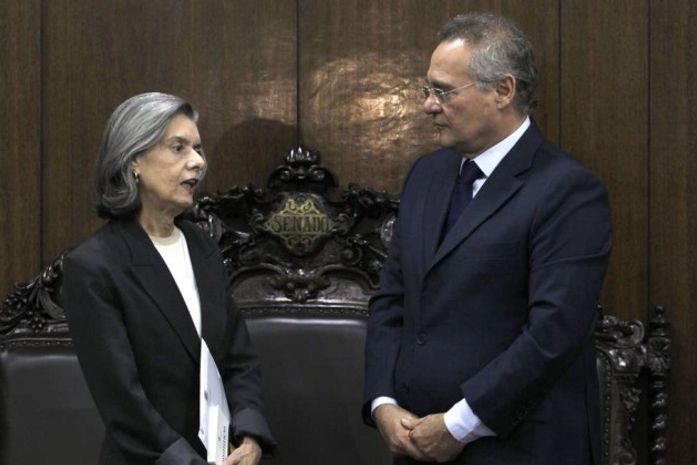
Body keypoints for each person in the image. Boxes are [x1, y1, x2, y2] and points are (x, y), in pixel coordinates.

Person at [363, 12, 611, 465]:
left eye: (443, 92)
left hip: (519, 448)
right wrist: (383, 402)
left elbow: (553, 334)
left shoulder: (568, 190)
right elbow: (392, 300)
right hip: (416, 443)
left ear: (503, 90)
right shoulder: (426, 175)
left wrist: (458, 425)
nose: (428, 105)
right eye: (427, 90)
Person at [62, 92, 275, 465]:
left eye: (198, 149)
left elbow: (237, 354)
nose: (198, 162)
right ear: (133, 161)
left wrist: (250, 433)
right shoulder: (95, 267)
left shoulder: (202, 245)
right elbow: (123, 401)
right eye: (178, 148)